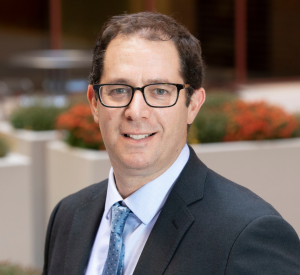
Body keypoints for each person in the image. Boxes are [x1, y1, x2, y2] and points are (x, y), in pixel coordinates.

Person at [42, 12, 300, 275]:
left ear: (193, 105)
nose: (136, 111)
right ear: (94, 103)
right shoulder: (68, 215)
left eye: (160, 91)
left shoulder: (249, 234)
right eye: (119, 90)